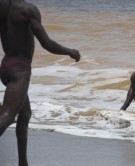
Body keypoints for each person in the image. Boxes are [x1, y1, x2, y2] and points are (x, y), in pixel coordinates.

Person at [0, 0, 81, 165]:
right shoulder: (28, 10)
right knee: (7, 116)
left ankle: (23, 162)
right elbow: (47, 44)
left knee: (25, 114)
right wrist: (70, 52)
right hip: (20, 70)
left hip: (6, 64)